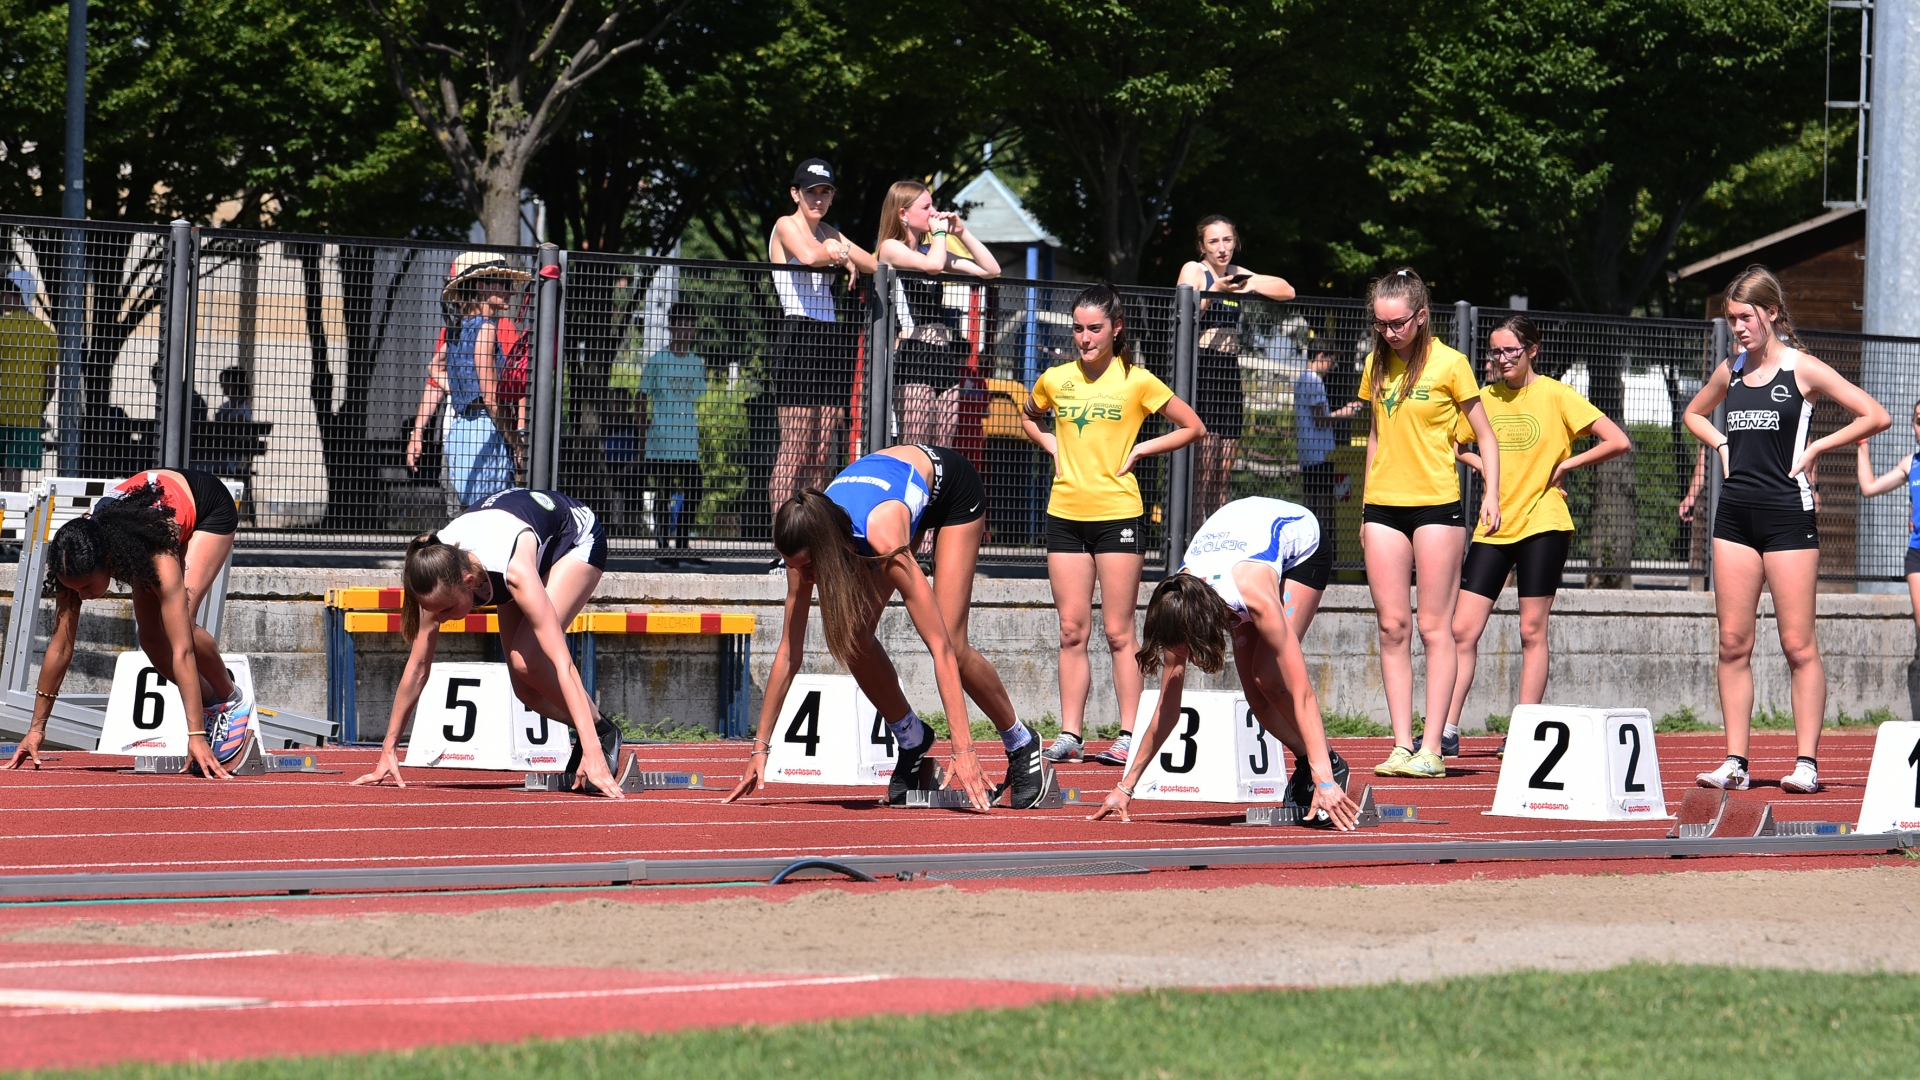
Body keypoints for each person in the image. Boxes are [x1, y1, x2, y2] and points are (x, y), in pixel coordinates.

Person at [726, 445, 1051, 810]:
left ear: (830, 548)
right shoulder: (803, 547)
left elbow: (939, 647)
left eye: (809, 568)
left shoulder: (882, 536)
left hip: (952, 495)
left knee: (954, 644)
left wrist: (964, 749)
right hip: (890, 499)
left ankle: (1021, 742)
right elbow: (788, 652)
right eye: (794, 567)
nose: (803, 578)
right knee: (854, 639)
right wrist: (760, 749)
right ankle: (912, 738)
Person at [1684, 266, 1888, 794]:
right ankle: (1735, 761)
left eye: (1746, 317)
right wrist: (1722, 446)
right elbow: (1694, 414)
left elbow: (1874, 414)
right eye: (1731, 319)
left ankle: (1806, 763)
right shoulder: (1730, 370)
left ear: (1771, 313)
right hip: (1734, 518)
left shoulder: (1802, 370)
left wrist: (1819, 446)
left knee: (1798, 645)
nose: (1738, 328)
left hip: (1787, 517)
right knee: (1732, 642)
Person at [1087, 497, 1361, 828]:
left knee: (1268, 673)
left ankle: (1328, 765)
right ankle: (1309, 761)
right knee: (1257, 698)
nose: (1182, 657)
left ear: (1202, 629)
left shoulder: (1254, 595)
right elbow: (1167, 710)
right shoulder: (1178, 602)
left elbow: (1301, 692)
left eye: (1186, 648)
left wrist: (1326, 780)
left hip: (1301, 547)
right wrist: (1125, 787)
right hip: (1236, 537)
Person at [1024, 284, 1206, 768]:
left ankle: (1127, 733)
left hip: (1119, 515)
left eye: (1095, 329)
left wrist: (1145, 448)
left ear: (1116, 329)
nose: (1084, 338)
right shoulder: (1055, 378)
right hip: (1065, 513)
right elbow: (1030, 415)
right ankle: (1070, 734)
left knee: (1119, 631)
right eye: (1078, 329)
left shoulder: (1137, 381)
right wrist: (1051, 445)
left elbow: (1193, 426)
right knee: (1070, 630)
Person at [353, 488, 622, 798]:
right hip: (517, 541)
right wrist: (389, 750)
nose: (439, 618)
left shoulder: (514, 572)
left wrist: (591, 751)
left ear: (469, 583)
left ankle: (599, 738)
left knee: (529, 658)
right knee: (525, 690)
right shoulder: (436, 567)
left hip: (573, 539)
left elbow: (562, 662)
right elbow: (417, 668)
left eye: (446, 610)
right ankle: (602, 729)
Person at [1445, 316, 1631, 754]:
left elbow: (1617, 440)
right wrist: (1486, 472)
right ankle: (1446, 730)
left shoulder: (1555, 394)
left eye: (1511, 350)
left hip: (1544, 524)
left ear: (1532, 350)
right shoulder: (1482, 399)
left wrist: (1566, 466)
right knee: (1462, 630)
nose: (1502, 359)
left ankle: (1524, 731)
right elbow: (1454, 446)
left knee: (1532, 630)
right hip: (1494, 525)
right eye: (1495, 351)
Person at [6, 470, 252, 774]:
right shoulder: (71, 557)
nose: (81, 595)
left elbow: (183, 650)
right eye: (73, 589)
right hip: (144, 524)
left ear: (109, 561)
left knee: (179, 624)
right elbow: (60, 648)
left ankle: (229, 698)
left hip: (207, 510)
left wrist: (196, 735)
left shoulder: (154, 552)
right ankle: (211, 702)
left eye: (86, 587)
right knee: (150, 638)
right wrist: (36, 729)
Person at [1358, 268, 1501, 780]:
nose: (1389, 332)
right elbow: (1376, 433)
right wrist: (1366, 504)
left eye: (1397, 323)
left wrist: (1492, 493)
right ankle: (1401, 744)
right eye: (1380, 324)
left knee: (1432, 625)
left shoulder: (1451, 363)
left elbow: (1484, 436)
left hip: (1437, 507)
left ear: (1420, 317)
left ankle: (1433, 745)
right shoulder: (1376, 362)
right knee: (1392, 626)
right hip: (1384, 507)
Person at [767, 159, 878, 529]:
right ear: (796, 194)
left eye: (826, 191)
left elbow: (873, 264)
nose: (819, 198)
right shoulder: (787, 225)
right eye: (812, 191)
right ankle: (783, 544)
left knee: (822, 450)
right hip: (797, 332)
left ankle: (814, 538)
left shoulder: (829, 231)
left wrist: (840, 250)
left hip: (829, 337)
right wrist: (838, 251)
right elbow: (812, 256)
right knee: (795, 448)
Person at [1176, 216, 1297, 518]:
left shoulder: (1236, 274)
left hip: (1229, 371)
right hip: (1201, 370)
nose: (1221, 248)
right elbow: (1185, 315)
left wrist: (1249, 285)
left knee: (1222, 473)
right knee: (1202, 471)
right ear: (1202, 246)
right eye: (1214, 242)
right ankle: (1190, 545)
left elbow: (1287, 290)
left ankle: (1218, 542)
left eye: (1227, 240)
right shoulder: (1195, 269)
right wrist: (1216, 289)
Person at [874, 180, 1001, 446]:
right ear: (903, 214)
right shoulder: (890, 247)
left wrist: (962, 233)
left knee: (942, 448)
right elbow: (932, 265)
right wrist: (940, 235)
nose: (934, 213)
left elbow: (991, 270)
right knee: (916, 443)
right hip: (911, 354)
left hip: (942, 355)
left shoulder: (931, 251)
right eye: (926, 207)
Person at [406, 255, 529, 508]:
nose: (511, 291)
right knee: (493, 514)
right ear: (483, 287)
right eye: (504, 284)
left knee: (470, 515)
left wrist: (462, 388)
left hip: (460, 432)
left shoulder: (456, 329)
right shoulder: (486, 329)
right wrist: (515, 439)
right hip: (486, 432)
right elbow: (491, 399)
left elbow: (434, 367)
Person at [639, 302, 706, 560]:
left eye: (691, 325)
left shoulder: (696, 363)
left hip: (688, 440)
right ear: (671, 326)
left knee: (695, 489)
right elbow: (642, 397)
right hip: (662, 439)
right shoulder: (658, 360)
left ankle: (682, 543)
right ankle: (662, 546)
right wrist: (644, 436)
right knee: (664, 490)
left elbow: (699, 396)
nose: (687, 330)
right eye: (682, 324)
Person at [1294, 341, 1361, 575]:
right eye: (1331, 360)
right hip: (1319, 455)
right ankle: (1319, 563)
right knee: (1322, 511)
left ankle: (1310, 561)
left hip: (1309, 454)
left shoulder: (1303, 379)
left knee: (1313, 507)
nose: (1332, 366)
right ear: (1321, 354)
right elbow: (1321, 419)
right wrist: (1347, 412)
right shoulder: (1313, 380)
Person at [1856, 401, 1920, 640]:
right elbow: (1869, 488)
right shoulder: (1910, 463)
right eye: (1918, 421)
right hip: (1917, 553)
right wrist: (1862, 442)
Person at [0, 270, 54, 490]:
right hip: (28, 416)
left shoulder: (2, 327)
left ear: (17, 295)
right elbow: (51, 381)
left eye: (4, 292)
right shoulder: (46, 333)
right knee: (14, 473)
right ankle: (9, 521)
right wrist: (38, 408)